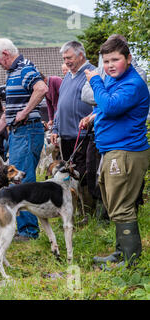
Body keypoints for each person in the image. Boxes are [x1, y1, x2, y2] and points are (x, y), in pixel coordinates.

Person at [82, 37, 149, 267]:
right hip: (112, 150)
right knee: (113, 203)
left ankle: (130, 263)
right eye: (106, 61)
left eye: (115, 60)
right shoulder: (116, 80)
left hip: (126, 152)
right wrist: (93, 117)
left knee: (121, 206)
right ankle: (122, 253)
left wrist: (96, 82)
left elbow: (110, 105)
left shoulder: (132, 83)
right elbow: (104, 107)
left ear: (128, 59)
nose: (110, 65)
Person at [0, 38, 48, 240]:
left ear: (5, 54)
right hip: (17, 133)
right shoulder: (11, 72)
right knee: (18, 181)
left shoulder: (24, 68)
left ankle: (29, 231)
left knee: (22, 181)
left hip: (27, 131)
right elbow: (8, 113)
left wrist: (25, 112)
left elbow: (41, 89)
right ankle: (25, 228)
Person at [50, 41, 95, 215]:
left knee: (83, 176)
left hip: (84, 135)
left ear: (80, 55)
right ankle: (74, 212)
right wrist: (55, 128)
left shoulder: (91, 74)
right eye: (64, 58)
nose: (66, 61)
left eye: (69, 57)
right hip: (66, 136)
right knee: (69, 177)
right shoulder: (68, 76)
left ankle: (88, 213)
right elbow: (60, 106)